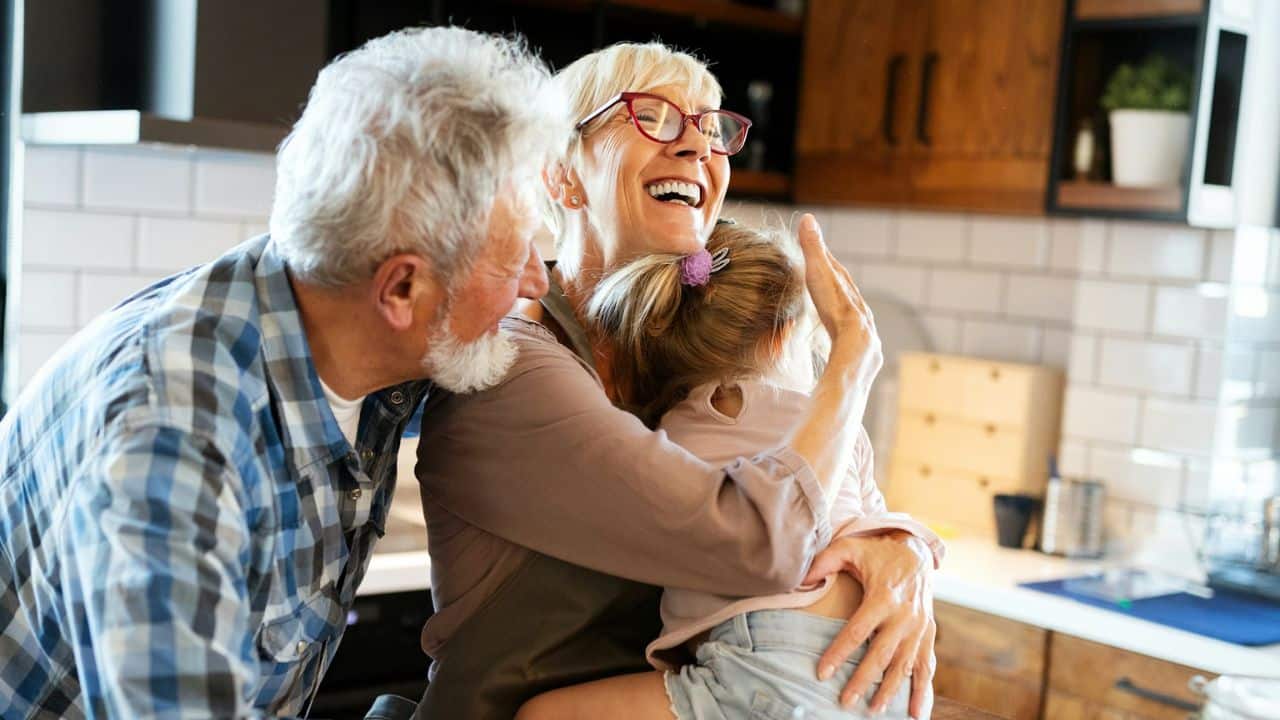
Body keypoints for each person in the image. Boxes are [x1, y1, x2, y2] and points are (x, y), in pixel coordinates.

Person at [0, 27, 562, 718]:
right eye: (513, 260)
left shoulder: (344, 321)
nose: (537, 278)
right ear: (401, 291)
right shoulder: (171, 437)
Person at [412, 42, 943, 719]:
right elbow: (761, 541)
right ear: (561, 177)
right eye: (653, 117)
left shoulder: (710, 353)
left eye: (711, 126)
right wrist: (852, 363)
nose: (697, 146)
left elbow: (839, 491)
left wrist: (902, 548)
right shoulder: (510, 365)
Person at [514, 222, 938, 719]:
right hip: (882, 677)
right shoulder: (842, 427)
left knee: (542, 715)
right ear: (783, 337)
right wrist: (913, 547)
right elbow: (883, 532)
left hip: (764, 664)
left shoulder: (665, 432)